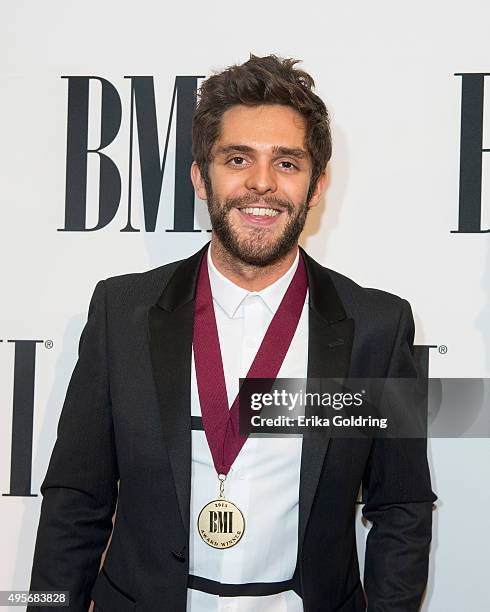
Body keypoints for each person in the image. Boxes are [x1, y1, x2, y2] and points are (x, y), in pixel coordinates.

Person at [28, 54, 437, 612]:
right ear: (201, 177)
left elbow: (401, 507)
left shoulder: (376, 327)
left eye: (287, 163)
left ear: (316, 185)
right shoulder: (121, 313)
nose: (262, 183)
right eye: (238, 158)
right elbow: (76, 498)